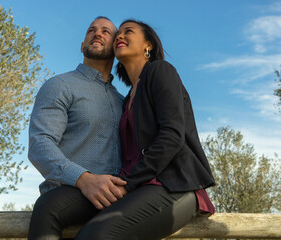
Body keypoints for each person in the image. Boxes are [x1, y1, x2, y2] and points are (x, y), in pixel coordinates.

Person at [74, 20, 216, 240]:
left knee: (95, 235)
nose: (120, 36)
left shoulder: (161, 71)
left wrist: (127, 184)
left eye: (128, 32)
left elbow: (172, 136)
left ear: (147, 45)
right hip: (140, 190)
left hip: (174, 186)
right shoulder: (127, 98)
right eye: (118, 34)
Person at [27, 16, 126, 240]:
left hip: (115, 200)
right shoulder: (60, 85)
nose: (97, 33)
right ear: (82, 45)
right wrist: (84, 179)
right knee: (48, 206)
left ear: (116, 46)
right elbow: (40, 144)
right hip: (66, 195)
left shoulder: (123, 101)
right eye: (91, 30)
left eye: (106, 32)